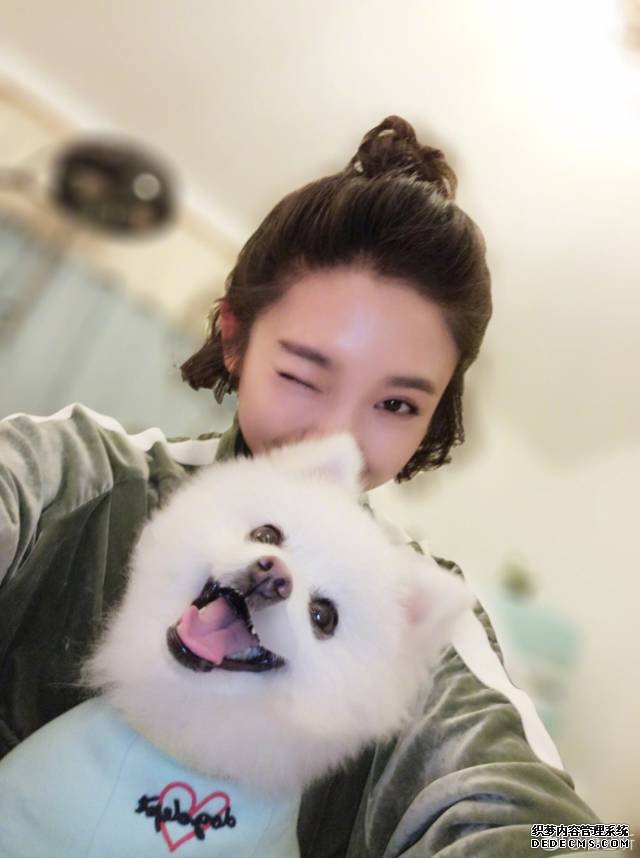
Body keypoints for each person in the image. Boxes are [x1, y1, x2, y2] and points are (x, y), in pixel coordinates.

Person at [0, 115, 598, 855]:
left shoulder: (419, 615)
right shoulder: (76, 471)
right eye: (304, 375)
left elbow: (569, 831)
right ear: (234, 336)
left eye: (396, 405)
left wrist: (610, 837)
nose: (337, 439)